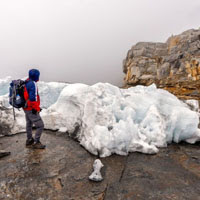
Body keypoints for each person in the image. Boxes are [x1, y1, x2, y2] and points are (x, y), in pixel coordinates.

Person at [23, 69, 46, 149]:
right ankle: (36, 142)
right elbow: (33, 98)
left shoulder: (27, 81)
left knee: (29, 123)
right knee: (40, 125)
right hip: (31, 108)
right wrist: (36, 108)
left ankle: (29, 140)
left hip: (26, 107)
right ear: (36, 76)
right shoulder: (33, 84)